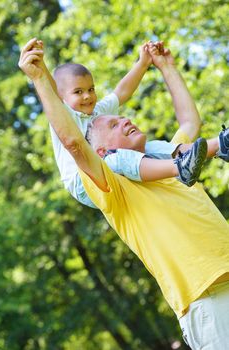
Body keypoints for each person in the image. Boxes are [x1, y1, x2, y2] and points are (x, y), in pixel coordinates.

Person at [19, 40, 229, 350]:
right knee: (126, 159)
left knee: (181, 150)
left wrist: (164, 66)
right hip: (208, 296)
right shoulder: (113, 180)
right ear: (100, 149)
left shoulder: (163, 160)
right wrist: (40, 76)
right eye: (115, 124)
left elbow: (189, 123)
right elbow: (75, 143)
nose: (125, 119)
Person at [27, 38, 210, 209]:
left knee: (151, 147)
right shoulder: (65, 114)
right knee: (117, 158)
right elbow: (51, 92)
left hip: (107, 168)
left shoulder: (99, 111)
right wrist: (40, 66)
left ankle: (219, 146)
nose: (87, 96)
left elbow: (122, 91)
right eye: (78, 92)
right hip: (84, 183)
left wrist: (143, 63)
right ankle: (179, 167)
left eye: (91, 89)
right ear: (63, 96)